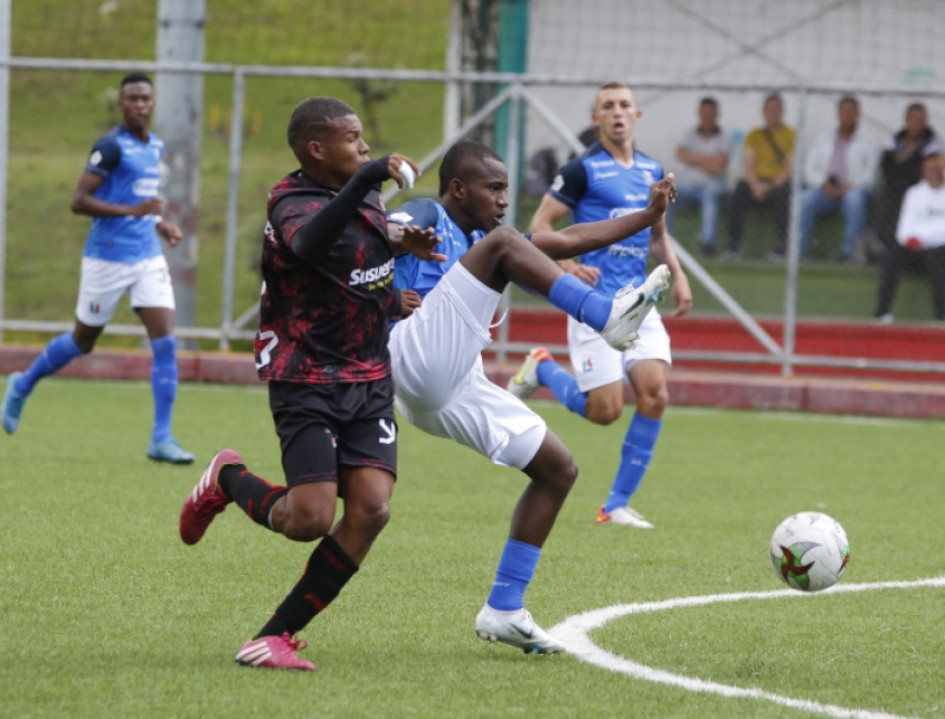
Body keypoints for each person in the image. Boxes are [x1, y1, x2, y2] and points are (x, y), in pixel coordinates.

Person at [177, 97, 436, 671]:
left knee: (372, 509)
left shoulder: (364, 198)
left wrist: (400, 253)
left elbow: (357, 256)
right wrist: (370, 176)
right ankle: (226, 478)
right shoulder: (289, 202)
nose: (365, 147)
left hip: (369, 377)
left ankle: (273, 637)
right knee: (309, 520)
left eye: (364, 139)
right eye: (353, 139)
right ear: (317, 149)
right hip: (306, 377)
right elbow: (309, 245)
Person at [388, 139, 676, 653]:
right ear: (458, 189)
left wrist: (648, 216)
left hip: (452, 381)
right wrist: (392, 258)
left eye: (505, 189)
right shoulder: (429, 214)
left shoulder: (484, 240)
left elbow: (569, 238)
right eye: (494, 188)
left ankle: (504, 608)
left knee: (558, 470)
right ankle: (606, 316)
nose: (504, 199)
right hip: (412, 353)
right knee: (504, 245)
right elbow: (374, 232)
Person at [514, 81, 693, 530]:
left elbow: (658, 233)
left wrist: (678, 274)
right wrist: (568, 265)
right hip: (595, 305)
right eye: (607, 106)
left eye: (624, 105)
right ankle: (542, 369)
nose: (617, 112)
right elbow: (540, 223)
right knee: (605, 412)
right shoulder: (582, 171)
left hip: (640, 301)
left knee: (655, 395)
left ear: (637, 115)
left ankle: (614, 506)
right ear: (596, 119)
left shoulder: (653, 169)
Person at [1, 72, 194, 464]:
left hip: (146, 257)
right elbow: (79, 201)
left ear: (153, 104)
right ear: (121, 105)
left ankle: (161, 437)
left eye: (145, 98)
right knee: (82, 341)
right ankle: (22, 384)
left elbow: (140, 201)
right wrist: (133, 212)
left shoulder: (155, 145)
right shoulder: (109, 147)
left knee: (165, 341)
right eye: (132, 98)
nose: (140, 104)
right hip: (107, 257)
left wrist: (160, 225)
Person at [798, 96, 878, 263]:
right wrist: (823, 184)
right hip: (826, 190)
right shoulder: (823, 139)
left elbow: (872, 173)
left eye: (851, 112)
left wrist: (851, 185)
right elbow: (809, 169)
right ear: (838, 114)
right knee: (805, 199)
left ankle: (849, 252)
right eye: (844, 112)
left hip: (853, 189)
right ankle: (799, 251)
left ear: (858, 115)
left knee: (854, 200)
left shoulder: (869, 141)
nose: (847, 116)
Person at [873, 151, 945, 325]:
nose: (935, 173)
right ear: (923, 172)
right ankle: (882, 312)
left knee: (937, 259)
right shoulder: (914, 193)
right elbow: (904, 227)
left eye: (938, 169)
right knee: (892, 256)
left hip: (939, 248)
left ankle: (941, 315)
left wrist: (927, 240)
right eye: (930, 170)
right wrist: (911, 240)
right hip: (915, 247)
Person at [725, 93, 795, 260]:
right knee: (739, 191)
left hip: (778, 183)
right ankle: (733, 245)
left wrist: (771, 186)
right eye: (769, 109)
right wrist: (755, 185)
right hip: (756, 181)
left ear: (782, 112)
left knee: (783, 195)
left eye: (776, 109)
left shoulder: (791, 135)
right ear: (763, 112)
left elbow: (790, 167)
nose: (773, 113)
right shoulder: (754, 135)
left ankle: (782, 246)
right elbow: (748, 163)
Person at [667, 96, 731, 257]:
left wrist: (694, 158)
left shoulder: (724, 137)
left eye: (711, 113)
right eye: (705, 112)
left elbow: (718, 167)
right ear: (699, 113)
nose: (707, 116)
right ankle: (667, 242)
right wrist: (708, 159)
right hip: (690, 186)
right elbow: (680, 154)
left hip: (714, 185)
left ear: (717, 115)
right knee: (665, 194)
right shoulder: (690, 134)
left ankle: (708, 244)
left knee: (709, 195)